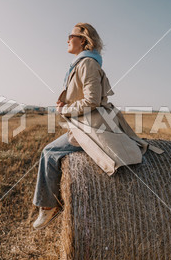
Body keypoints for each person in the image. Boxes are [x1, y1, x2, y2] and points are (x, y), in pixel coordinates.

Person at [32, 23, 163, 230]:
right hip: (84, 122)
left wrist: (65, 110)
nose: (67, 40)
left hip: (90, 126)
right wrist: (65, 104)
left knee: (49, 152)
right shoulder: (81, 64)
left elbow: (92, 100)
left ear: (83, 40)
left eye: (70, 36)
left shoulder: (87, 64)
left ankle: (48, 206)